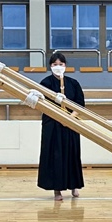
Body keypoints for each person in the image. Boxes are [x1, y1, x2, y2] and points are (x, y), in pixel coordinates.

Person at [38, 51, 85, 200]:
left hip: (70, 124)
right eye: (55, 64)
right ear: (50, 66)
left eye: (61, 64)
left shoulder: (73, 83)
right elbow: (42, 104)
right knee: (55, 156)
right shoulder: (45, 83)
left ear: (65, 65)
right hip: (53, 125)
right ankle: (57, 190)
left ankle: (74, 186)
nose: (58, 66)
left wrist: (70, 118)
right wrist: (59, 117)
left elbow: (80, 105)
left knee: (72, 154)